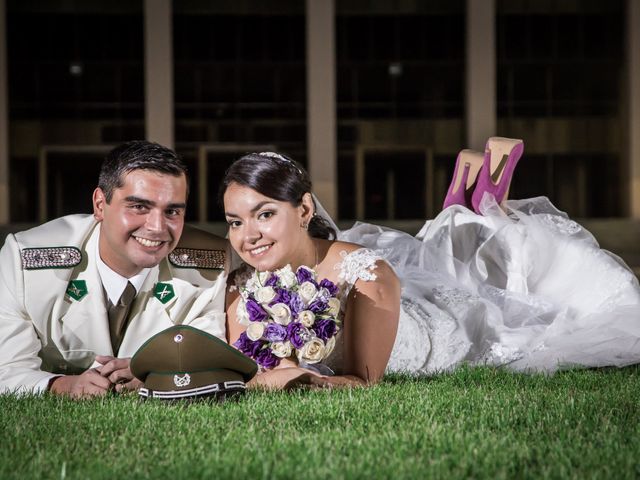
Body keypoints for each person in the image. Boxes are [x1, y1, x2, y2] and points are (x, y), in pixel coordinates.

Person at [221, 146, 640, 389]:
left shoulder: (363, 273)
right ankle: (465, 209)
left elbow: (363, 382)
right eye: (235, 222)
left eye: (264, 214)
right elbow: (249, 366)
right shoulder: (241, 284)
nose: (248, 235)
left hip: (437, 332)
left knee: (484, 299)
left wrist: (300, 379)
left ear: (305, 209)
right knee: (447, 263)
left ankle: (481, 210)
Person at [0, 140, 231, 398]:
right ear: (100, 205)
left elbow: (212, 359)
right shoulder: (24, 259)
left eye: (172, 211)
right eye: (139, 207)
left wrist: (157, 374)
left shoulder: (210, 262)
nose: (157, 226)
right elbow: (7, 368)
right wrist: (63, 385)